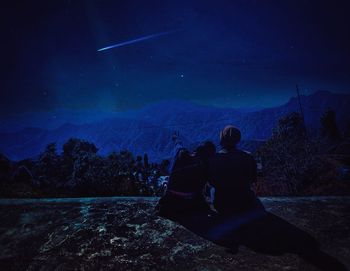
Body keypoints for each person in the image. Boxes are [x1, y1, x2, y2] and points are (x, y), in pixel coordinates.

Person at [156, 131, 216, 222]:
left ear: (196, 150)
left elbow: (179, 145)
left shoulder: (182, 154)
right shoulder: (206, 167)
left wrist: (176, 138)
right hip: (191, 207)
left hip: (168, 205)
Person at [209, 125, 264, 216]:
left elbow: (211, 182)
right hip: (245, 202)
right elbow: (253, 179)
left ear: (222, 138)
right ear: (238, 139)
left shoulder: (214, 159)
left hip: (222, 204)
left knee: (212, 190)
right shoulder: (248, 157)